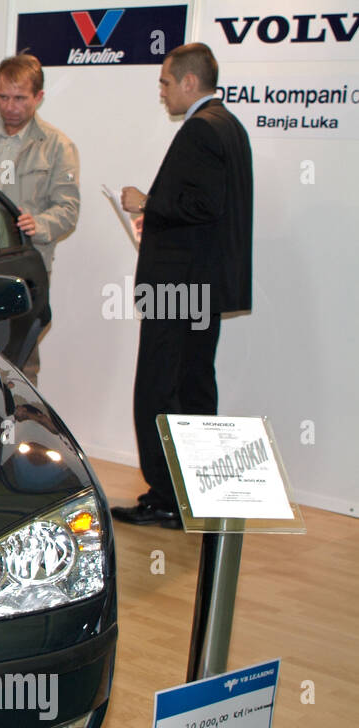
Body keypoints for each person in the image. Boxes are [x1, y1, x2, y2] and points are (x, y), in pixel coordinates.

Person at [112, 43, 253, 528]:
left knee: (159, 387)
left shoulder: (199, 129)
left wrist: (146, 202)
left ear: (189, 82)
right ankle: (193, 494)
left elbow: (202, 206)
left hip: (179, 287)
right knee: (194, 386)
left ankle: (166, 497)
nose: (162, 91)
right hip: (202, 287)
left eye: (166, 82)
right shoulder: (228, 125)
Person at [0, 53, 79, 384]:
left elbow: (68, 209)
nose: (10, 106)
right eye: (3, 97)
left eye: (19, 98)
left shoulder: (57, 147)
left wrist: (39, 223)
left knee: (21, 358)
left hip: (26, 267)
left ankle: (25, 429)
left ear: (39, 97)